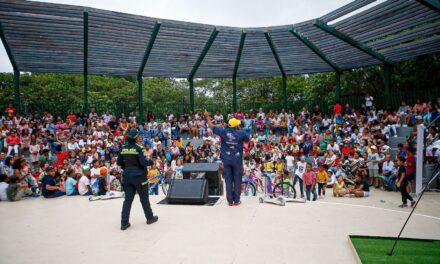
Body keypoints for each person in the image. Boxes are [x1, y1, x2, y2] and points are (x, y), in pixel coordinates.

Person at [205, 111, 249, 206]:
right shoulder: (241, 133)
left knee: (228, 180)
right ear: (236, 125)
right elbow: (247, 139)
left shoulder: (223, 131)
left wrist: (207, 116)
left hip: (227, 160)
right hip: (237, 160)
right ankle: (236, 201)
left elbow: (211, 126)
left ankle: (230, 202)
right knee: (237, 180)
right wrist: (239, 130)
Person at [117, 128, 158, 230]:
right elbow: (143, 162)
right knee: (144, 198)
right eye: (138, 135)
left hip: (127, 176)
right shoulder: (139, 148)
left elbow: (120, 163)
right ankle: (149, 218)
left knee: (127, 200)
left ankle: (124, 223)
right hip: (139, 176)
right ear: (135, 137)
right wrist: (151, 162)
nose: (140, 137)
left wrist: (128, 169)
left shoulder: (123, 148)